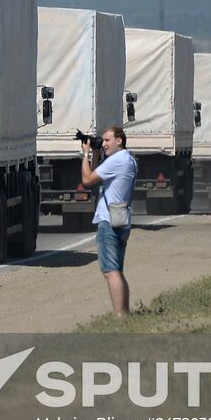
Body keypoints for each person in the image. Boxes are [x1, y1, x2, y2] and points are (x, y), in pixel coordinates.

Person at [80, 125, 137, 314]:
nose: (103, 144)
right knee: (117, 271)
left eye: (107, 140)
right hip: (121, 220)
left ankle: (119, 315)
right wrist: (96, 154)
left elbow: (87, 180)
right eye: (102, 141)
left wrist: (86, 154)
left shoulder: (116, 161)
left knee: (110, 271)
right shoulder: (128, 159)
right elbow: (99, 173)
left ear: (119, 141)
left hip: (109, 223)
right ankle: (125, 312)